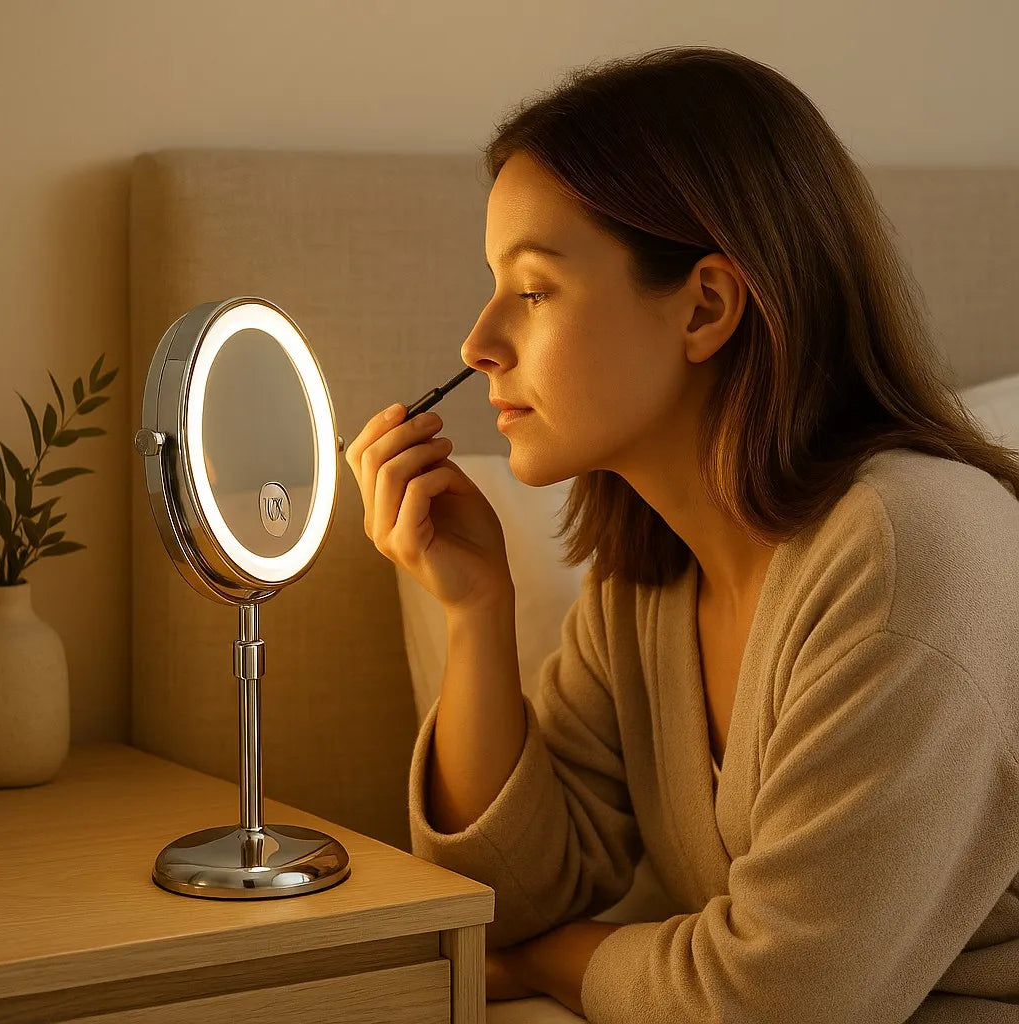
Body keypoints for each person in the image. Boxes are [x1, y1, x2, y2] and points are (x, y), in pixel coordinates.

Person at [345, 46, 1019, 1024]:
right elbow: (509, 898)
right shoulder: (651, 578)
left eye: (532, 289)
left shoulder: (911, 549)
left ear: (704, 305)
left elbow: (776, 1002)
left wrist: (552, 962)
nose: (477, 341)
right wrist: (476, 610)